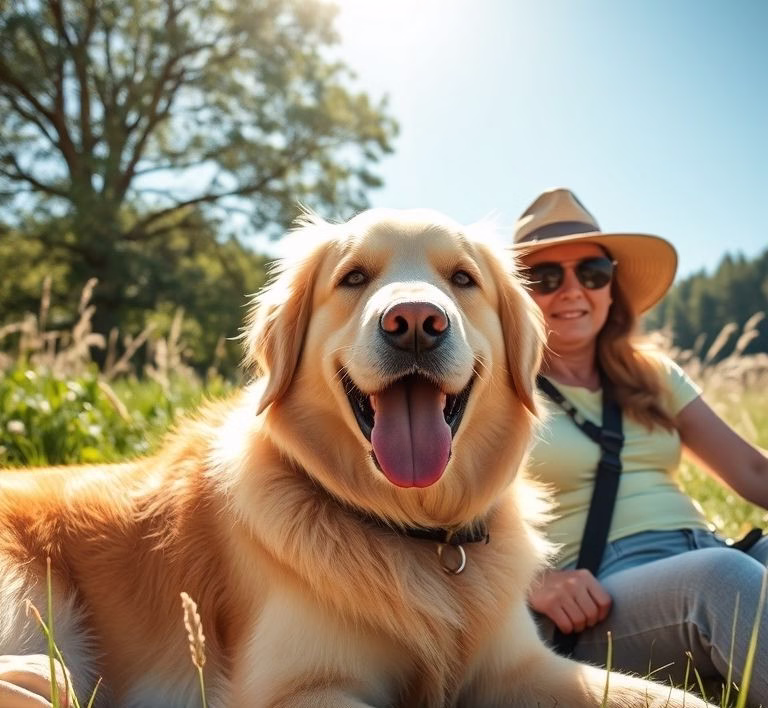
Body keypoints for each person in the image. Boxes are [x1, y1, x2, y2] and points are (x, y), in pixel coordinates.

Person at [512, 188, 768, 706]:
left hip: (707, 548)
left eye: (592, 272)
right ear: (515, 296)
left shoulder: (653, 376)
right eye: (545, 277)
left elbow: (751, 472)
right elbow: (434, 524)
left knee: (727, 571)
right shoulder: (494, 392)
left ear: (611, 288)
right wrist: (532, 583)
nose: (572, 291)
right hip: (603, 595)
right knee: (724, 584)